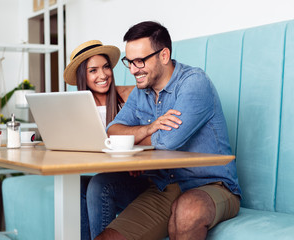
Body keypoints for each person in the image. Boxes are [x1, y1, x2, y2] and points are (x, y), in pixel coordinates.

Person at [93, 21, 241, 240]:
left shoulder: (194, 83)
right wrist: (150, 128)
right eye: (129, 62)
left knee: (188, 210)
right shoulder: (141, 92)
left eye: (140, 61)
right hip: (165, 186)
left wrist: (134, 136)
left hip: (213, 185)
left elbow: (168, 141)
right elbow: (113, 132)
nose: (133, 70)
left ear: (163, 55)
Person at [64, 40, 180, 240]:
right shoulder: (77, 110)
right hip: (116, 176)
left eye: (106, 67)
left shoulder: (131, 96)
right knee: (78, 186)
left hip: (146, 178)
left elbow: (158, 135)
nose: (103, 75)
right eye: (93, 70)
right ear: (83, 76)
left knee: (99, 186)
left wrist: (134, 157)